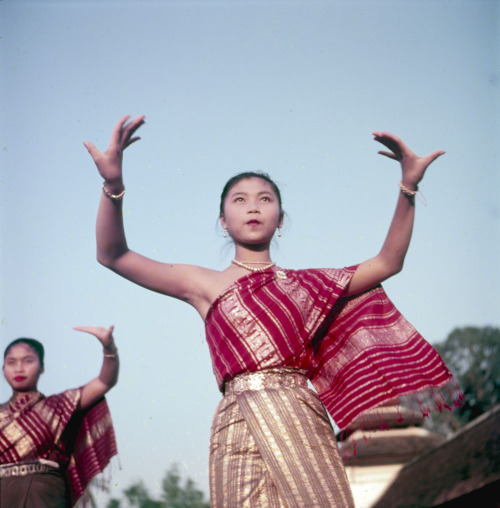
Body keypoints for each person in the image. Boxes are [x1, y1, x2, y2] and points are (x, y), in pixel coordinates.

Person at [84, 116, 462, 507]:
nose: (253, 207)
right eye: (240, 200)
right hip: (236, 424)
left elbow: (387, 262)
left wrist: (408, 186)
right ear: (222, 221)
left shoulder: (308, 286)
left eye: (266, 199)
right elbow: (113, 254)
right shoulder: (202, 284)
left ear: (280, 220)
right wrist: (113, 186)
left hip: (299, 415)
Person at [0, 326, 119, 507]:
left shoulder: (60, 405)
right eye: (11, 362)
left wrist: (109, 348)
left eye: (27, 361)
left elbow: (104, 381)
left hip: (45, 494)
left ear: (42, 367)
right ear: (3, 369)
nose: (19, 368)